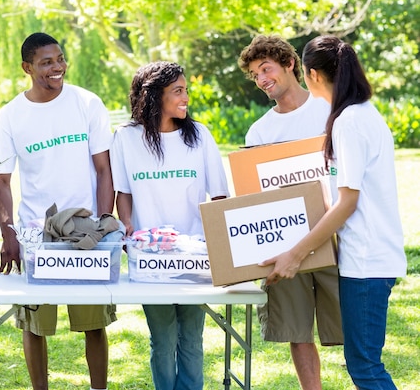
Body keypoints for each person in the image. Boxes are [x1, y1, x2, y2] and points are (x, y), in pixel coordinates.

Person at [262, 35, 407, 390]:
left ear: (311, 74)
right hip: (371, 259)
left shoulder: (349, 121)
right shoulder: (361, 114)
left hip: (366, 261)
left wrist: (295, 254)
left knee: (366, 368)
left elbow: (347, 202)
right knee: (364, 364)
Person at [0, 32, 116, 390]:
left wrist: (103, 224)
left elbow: (104, 170)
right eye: (47, 62)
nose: (58, 67)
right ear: (27, 68)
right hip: (38, 235)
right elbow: (1, 182)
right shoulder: (11, 116)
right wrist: (9, 234)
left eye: (60, 58)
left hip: (86, 231)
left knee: (94, 322)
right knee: (35, 324)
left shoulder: (87, 103)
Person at [110, 61, 228, 390]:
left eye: (185, 90)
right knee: (162, 342)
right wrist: (129, 225)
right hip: (151, 261)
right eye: (178, 91)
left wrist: (219, 252)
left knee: (191, 339)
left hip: (195, 258)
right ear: (153, 96)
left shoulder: (200, 136)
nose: (186, 97)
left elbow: (219, 197)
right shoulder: (126, 138)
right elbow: (124, 192)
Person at [238, 35, 343, 390]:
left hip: (334, 234)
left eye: (265, 68)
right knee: (299, 332)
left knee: (353, 327)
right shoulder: (260, 132)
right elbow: (254, 197)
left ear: (290, 64)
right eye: (254, 75)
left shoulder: (329, 110)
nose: (261, 79)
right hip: (285, 242)